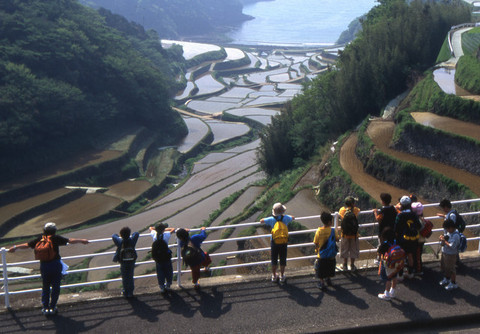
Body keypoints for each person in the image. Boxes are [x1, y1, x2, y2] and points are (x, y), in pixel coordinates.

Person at [8, 222, 89, 315]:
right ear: (54, 231)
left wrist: (15, 247)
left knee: (46, 286)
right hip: (55, 265)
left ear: (44, 231)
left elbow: (27, 245)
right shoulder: (55, 238)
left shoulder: (40, 238)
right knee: (55, 287)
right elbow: (70, 240)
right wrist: (82, 240)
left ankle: (45, 308)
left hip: (44, 266)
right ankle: (53, 307)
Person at [260, 203, 294, 283]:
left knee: (274, 259)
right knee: (282, 259)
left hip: (274, 242)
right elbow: (293, 217)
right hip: (284, 242)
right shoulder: (286, 218)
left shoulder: (271, 219)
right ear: (282, 211)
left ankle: (274, 276)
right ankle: (282, 276)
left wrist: (264, 219)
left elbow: (261, 221)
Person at [394, 196, 421, 278]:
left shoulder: (400, 215)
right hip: (413, 238)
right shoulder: (414, 214)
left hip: (402, 239)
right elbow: (419, 226)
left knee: (401, 256)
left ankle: (400, 274)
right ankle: (410, 272)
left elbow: (396, 228)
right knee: (410, 255)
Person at [313, 212, 340, 291]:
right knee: (330, 267)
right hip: (331, 254)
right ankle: (328, 279)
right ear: (329, 222)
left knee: (320, 270)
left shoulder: (319, 231)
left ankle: (322, 283)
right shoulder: (332, 230)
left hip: (322, 255)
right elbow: (337, 239)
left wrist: (317, 250)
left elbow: (316, 242)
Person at [377, 228, 404, 300]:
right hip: (397, 263)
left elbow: (380, 252)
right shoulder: (396, 242)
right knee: (394, 276)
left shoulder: (385, 244)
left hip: (388, 264)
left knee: (388, 278)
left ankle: (386, 293)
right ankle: (392, 292)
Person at [438, 199, 466, 267]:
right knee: (453, 248)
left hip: (451, 235)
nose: (443, 209)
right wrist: (444, 216)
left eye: (443, 208)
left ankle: (453, 263)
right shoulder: (452, 213)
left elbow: (451, 225)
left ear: (446, 207)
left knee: (452, 248)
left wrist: (445, 237)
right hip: (451, 234)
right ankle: (455, 262)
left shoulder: (452, 215)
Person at [112, 227, 139, 298]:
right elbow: (136, 233)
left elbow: (113, 236)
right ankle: (130, 292)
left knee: (124, 277)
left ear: (121, 235)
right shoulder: (132, 241)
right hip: (131, 261)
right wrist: (131, 235)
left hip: (123, 262)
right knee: (130, 276)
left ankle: (125, 291)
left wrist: (118, 236)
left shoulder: (120, 242)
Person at [150, 222, 176, 293]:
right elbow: (173, 229)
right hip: (166, 256)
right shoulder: (166, 234)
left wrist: (156, 228)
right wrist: (166, 229)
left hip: (158, 258)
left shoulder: (154, 234)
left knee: (160, 272)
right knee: (168, 270)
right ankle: (168, 285)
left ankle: (161, 286)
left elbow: (150, 228)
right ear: (163, 230)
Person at [373, 193, 397, 264]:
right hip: (392, 230)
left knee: (381, 245)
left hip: (383, 231)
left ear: (383, 201)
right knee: (390, 244)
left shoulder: (382, 211)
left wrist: (375, 212)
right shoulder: (393, 209)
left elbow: (378, 219)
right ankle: (389, 257)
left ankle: (380, 260)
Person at [339, 196, 360, 272]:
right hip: (354, 235)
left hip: (344, 234)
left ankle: (344, 265)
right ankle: (352, 265)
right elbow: (357, 210)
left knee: (345, 250)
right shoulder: (356, 210)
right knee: (353, 250)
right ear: (353, 204)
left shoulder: (342, 210)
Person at [439, 219, 460, 290]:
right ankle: (447, 278)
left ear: (451, 227)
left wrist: (444, 241)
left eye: (447, 229)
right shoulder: (450, 233)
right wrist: (443, 239)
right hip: (446, 253)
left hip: (451, 254)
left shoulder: (456, 235)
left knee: (451, 269)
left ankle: (453, 283)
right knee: (446, 267)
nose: (447, 230)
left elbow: (452, 246)